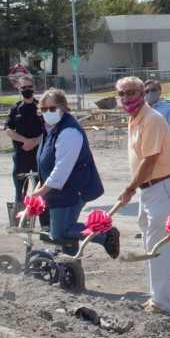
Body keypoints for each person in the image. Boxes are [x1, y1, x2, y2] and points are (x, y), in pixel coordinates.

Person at [116, 75, 170, 314]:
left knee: (159, 246)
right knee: (149, 242)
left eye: (131, 93)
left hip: (162, 186)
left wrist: (129, 188)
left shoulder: (152, 119)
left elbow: (150, 159)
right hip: (148, 188)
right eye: (121, 94)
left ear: (142, 94)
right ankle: (154, 296)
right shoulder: (134, 119)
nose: (126, 98)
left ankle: (161, 302)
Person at [27, 89, 119, 258]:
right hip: (58, 190)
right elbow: (46, 163)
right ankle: (71, 272)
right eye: (44, 109)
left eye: (52, 108)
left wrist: (42, 191)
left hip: (73, 189)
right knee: (65, 234)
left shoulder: (69, 131)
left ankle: (105, 234)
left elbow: (62, 167)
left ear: (63, 107)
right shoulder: (50, 130)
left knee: (61, 232)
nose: (48, 112)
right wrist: (41, 184)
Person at [4, 75, 45, 218]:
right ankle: (20, 222)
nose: (27, 90)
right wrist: (24, 141)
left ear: (34, 88)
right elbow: (8, 130)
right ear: (19, 89)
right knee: (20, 191)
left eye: (29, 87)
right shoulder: (15, 109)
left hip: (39, 156)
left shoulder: (41, 107)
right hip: (21, 156)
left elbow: (49, 130)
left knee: (41, 191)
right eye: (23, 88)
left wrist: (34, 141)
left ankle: (45, 224)